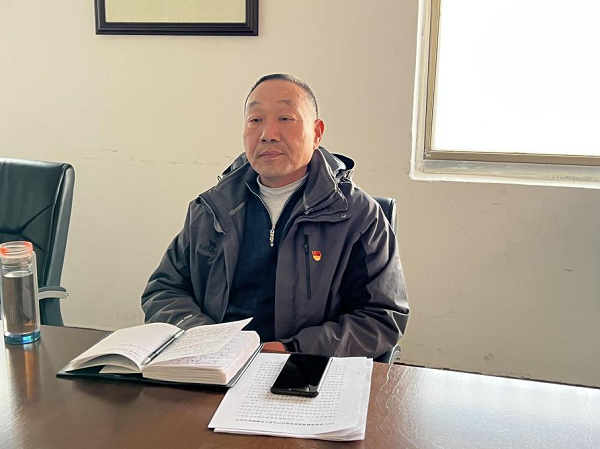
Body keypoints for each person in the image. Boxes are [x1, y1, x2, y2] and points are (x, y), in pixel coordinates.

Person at [141, 74, 409, 358]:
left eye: (285, 118)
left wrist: (292, 349)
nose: (268, 133)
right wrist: (205, 338)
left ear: (317, 133)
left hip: (301, 365)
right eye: (255, 120)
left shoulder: (357, 215)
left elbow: (382, 317)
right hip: (211, 363)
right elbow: (164, 290)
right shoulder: (211, 207)